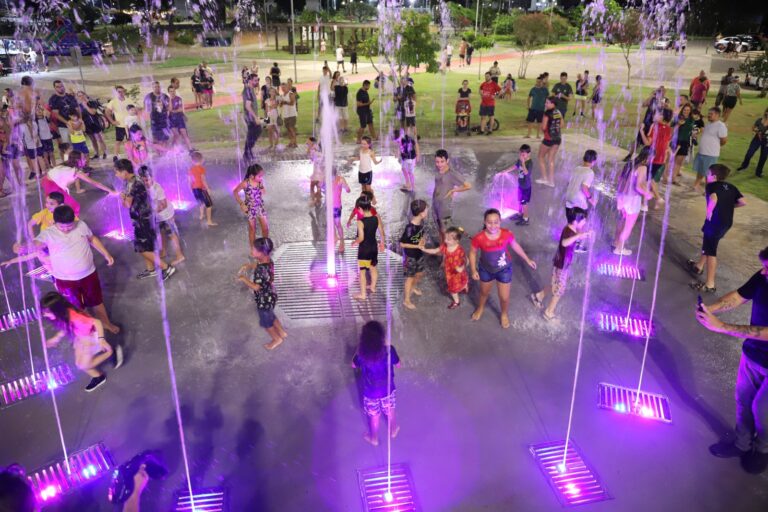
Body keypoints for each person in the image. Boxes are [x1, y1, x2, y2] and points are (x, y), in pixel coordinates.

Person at [697, 246, 768, 474]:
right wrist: (710, 310)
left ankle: (762, 449)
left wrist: (723, 327)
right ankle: (742, 444)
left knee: (763, 411)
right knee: (744, 401)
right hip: (753, 354)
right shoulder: (763, 276)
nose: (763, 272)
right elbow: (739, 296)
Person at [31, 204, 119, 333]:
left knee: (97, 301)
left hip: (89, 274)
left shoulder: (81, 225)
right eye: (62, 227)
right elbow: (36, 243)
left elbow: (92, 239)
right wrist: (25, 247)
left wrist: (106, 254)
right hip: (65, 280)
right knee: (75, 307)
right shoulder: (48, 234)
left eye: (69, 226)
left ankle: (106, 324)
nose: (66, 229)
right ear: (55, 222)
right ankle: (86, 330)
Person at [469, 208, 537, 329]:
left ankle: (504, 314)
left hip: (504, 269)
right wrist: (473, 270)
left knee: (504, 297)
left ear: (500, 221)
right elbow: (473, 253)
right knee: (484, 293)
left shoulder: (507, 234)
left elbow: (515, 245)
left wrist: (527, 259)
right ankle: (480, 308)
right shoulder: (478, 238)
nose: (493, 226)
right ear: (484, 222)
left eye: (496, 222)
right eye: (489, 222)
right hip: (486, 269)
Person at [41, 291, 119, 391]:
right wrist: (56, 338)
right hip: (81, 337)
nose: (44, 314)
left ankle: (111, 352)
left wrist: (101, 340)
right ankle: (98, 376)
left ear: (57, 310)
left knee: (84, 365)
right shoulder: (64, 314)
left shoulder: (76, 317)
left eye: (47, 312)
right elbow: (67, 326)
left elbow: (96, 322)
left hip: (90, 337)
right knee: (79, 363)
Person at [687, 164, 746, 293]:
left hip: (715, 222)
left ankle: (710, 284)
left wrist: (709, 212)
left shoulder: (711, 186)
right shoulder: (731, 187)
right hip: (726, 222)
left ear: (714, 176)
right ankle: (699, 266)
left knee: (711, 252)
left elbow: (713, 198)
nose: (706, 176)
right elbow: (743, 202)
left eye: (708, 173)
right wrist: (728, 206)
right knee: (709, 244)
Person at [114, 159, 176, 281]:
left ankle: (166, 267)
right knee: (146, 246)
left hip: (143, 220)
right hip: (145, 217)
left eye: (117, 172)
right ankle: (151, 270)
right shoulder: (134, 180)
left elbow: (127, 204)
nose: (116, 175)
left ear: (124, 172)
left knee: (140, 248)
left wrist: (122, 197)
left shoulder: (133, 184)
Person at [530, 208, 592, 320]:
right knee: (560, 289)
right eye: (583, 220)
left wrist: (584, 235)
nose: (585, 222)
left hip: (562, 264)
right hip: (561, 265)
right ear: (575, 221)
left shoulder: (571, 229)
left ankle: (538, 296)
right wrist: (578, 236)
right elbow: (564, 243)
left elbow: (573, 239)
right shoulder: (568, 231)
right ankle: (549, 312)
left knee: (556, 285)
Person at [352, 320, 400, 446]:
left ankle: (374, 438)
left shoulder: (361, 354)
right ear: (382, 337)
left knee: (374, 417)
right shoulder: (389, 350)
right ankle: (393, 430)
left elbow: (353, 365)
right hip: (388, 389)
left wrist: (358, 349)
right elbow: (398, 365)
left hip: (371, 393)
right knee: (390, 410)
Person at [237, 237, 287, 350]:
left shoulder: (260, 271)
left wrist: (244, 279)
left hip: (264, 300)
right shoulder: (268, 260)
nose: (251, 251)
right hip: (271, 294)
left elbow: (256, 287)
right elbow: (259, 265)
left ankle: (277, 339)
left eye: (254, 250)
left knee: (266, 323)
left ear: (261, 253)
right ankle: (282, 332)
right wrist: (249, 265)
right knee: (271, 314)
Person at [42, 150, 114, 216]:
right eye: (83, 158)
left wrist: (77, 189)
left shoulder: (66, 164)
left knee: (54, 204)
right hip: (52, 185)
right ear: (78, 160)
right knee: (74, 206)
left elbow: (70, 178)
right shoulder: (76, 171)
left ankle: (52, 217)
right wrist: (111, 191)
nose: (85, 160)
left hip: (46, 181)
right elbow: (95, 183)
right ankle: (69, 222)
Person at [140, 166, 184, 266]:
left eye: (147, 180)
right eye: (143, 181)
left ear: (152, 177)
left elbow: (163, 205)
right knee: (161, 232)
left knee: (171, 234)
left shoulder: (157, 188)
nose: (145, 182)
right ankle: (163, 251)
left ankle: (180, 255)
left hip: (166, 215)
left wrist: (150, 212)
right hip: (158, 216)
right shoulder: (145, 188)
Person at [613, 147, 654, 256]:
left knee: (622, 221)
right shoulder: (643, 167)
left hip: (621, 195)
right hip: (632, 199)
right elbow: (638, 186)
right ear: (649, 157)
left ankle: (616, 242)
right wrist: (648, 194)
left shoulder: (630, 163)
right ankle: (619, 249)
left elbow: (620, 178)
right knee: (628, 225)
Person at [400, 199, 439, 310]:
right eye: (426, 210)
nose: (427, 211)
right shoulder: (410, 228)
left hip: (419, 254)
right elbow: (402, 244)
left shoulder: (421, 223)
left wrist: (423, 240)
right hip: (410, 256)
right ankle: (406, 300)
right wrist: (417, 246)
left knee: (419, 273)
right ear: (421, 213)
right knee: (410, 277)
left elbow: (422, 235)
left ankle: (413, 287)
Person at [433, 149, 471, 244]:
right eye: (437, 162)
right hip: (435, 203)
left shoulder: (452, 174)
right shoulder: (438, 170)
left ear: (447, 160)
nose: (439, 164)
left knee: (445, 229)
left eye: (442, 161)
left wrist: (453, 190)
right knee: (438, 226)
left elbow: (468, 186)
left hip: (445, 205)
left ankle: (451, 246)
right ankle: (442, 245)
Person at [352, 195, 385, 301]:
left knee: (362, 272)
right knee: (373, 267)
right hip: (373, 247)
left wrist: (355, 242)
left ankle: (363, 295)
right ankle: (373, 287)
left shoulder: (360, 222)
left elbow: (361, 238)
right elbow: (381, 231)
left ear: (360, 208)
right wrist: (382, 243)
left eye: (358, 209)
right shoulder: (376, 217)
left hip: (364, 250)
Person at [564, 150, 598, 251]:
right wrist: (591, 199)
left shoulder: (577, 168)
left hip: (569, 198)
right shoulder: (590, 172)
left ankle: (569, 242)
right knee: (580, 224)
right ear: (594, 161)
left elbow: (569, 182)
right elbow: (584, 188)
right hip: (579, 201)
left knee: (572, 223)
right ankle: (577, 244)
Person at [642, 107, 674, 206]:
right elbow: (667, 146)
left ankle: (657, 198)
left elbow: (647, 143)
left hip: (651, 157)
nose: (655, 115)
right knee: (649, 180)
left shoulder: (654, 126)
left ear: (662, 117)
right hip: (660, 159)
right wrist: (665, 158)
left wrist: (641, 131)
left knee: (647, 180)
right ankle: (646, 203)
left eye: (657, 114)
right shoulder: (669, 129)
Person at [233, 163, 269, 250]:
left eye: (262, 176)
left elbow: (264, 192)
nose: (261, 178)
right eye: (259, 176)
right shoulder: (245, 183)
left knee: (265, 228)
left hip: (260, 206)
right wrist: (241, 204)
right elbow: (235, 192)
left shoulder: (259, 182)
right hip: (250, 208)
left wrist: (261, 185)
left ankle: (265, 244)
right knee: (252, 229)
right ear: (252, 176)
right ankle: (253, 249)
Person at [692, 107, 728, 194]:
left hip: (711, 154)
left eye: (711, 114)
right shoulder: (708, 124)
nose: (709, 115)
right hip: (702, 152)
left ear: (717, 115)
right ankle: (696, 185)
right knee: (701, 170)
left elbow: (724, 140)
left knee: (709, 174)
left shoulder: (721, 126)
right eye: (709, 113)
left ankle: (709, 190)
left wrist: (715, 146)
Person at [439, 227, 469, 309]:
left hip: (453, 272)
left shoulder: (459, 250)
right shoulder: (447, 246)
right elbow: (443, 253)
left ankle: (456, 302)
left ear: (457, 241)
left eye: (448, 239)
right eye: (445, 238)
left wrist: (462, 267)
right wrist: (443, 261)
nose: (445, 241)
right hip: (455, 271)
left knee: (452, 289)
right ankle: (465, 287)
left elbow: (466, 260)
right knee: (463, 280)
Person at [48, 80, 79, 157]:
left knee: (77, 145)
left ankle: (80, 162)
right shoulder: (53, 99)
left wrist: (80, 120)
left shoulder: (70, 97)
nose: (60, 88)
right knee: (67, 147)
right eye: (58, 87)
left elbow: (77, 109)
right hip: (63, 127)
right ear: (55, 88)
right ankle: (67, 162)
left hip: (75, 125)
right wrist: (67, 122)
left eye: (61, 86)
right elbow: (55, 114)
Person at [504, 144, 533, 226]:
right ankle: (520, 214)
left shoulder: (529, 163)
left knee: (524, 203)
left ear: (529, 154)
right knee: (520, 201)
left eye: (523, 154)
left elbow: (526, 173)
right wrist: (506, 171)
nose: (521, 156)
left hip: (526, 187)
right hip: (520, 185)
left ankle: (526, 219)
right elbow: (515, 166)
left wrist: (523, 163)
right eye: (520, 154)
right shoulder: (520, 160)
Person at [537, 96, 562, 187]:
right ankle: (551, 181)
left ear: (553, 104)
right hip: (557, 138)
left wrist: (543, 129)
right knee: (551, 160)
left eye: (547, 102)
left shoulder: (547, 113)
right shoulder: (558, 112)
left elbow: (543, 127)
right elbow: (562, 124)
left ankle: (544, 178)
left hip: (548, 139)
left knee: (540, 157)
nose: (545, 104)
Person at [737, 107, 768, 178]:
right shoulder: (760, 120)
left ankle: (758, 172)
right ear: (766, 112)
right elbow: (753, 128)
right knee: (749, 153)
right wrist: (756, 130)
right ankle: (744, 166)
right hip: (757, 139)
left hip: (766, 141)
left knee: (763, 157)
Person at [187, 151, 216, 226]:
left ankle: (201, 215)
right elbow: (203, 180)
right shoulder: (201, 169)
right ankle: (209, 221)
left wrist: (190, 190)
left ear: (192, 161)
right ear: (202, 160)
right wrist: (208, 188)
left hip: (194, 189)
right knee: (209, 205)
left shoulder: (190, 169)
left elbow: (189, 181)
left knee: (201, 202)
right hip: (201, 189)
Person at [76, 91, 107, 160]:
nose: (81, 97)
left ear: (85, 95)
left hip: (95, 123)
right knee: (93, 140)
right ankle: (97, 153)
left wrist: (85, 105)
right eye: (79, 96)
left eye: (82, 95)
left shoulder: (92, 103)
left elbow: (93, 112)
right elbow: (80, 116)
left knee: (100, 139)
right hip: (87, 125)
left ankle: (104, 152)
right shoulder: (79, 106)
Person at [670, 103, 694, 185]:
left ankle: (673, 178)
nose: (686, 111)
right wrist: (678, 125)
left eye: (688, 110)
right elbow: (671, 131)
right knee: (671, 160)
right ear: (682, 110)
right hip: (676, 141)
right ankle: (666, 177)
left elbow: (691, 130)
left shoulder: (691, 119)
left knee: (679, 162)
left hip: (685, 142)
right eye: (684, 110)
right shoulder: (677, 118)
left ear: (690, 111)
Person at [144, 81, 170, 146]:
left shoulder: (164, 96)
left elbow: (168, 107)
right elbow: (146, 108)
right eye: (155, 87)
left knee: (165, 138)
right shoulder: (149, 96)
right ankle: (159, 151)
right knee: (156, 138)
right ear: (152, 87)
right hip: (154, 120)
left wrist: (163, 111)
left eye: (158, 86)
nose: (157, 88)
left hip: (163, 120)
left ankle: (165, 151)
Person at [242, 74, 262, 161]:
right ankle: (247, 153)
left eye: (258, 80)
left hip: (251, 117)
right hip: (250, 118)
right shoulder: (248, 90)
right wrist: (255, 117)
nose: (257, 82)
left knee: (253, 134)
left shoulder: (250, 89)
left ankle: (248, 152)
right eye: (255, 80)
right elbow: (248, 106)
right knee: (255, 132)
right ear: (250, 81)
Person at [356, 136, 381, 202]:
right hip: (361, 172)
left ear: (369, 144)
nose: (363, 145)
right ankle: (365, 200)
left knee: (368, 188)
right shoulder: (360, 150)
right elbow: (359, 158)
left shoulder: (370, 152)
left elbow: (375, 162)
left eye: (365, 144)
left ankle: (373, 198)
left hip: (367, 172)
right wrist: (352, 159)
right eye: (362, 143)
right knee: (363, 187)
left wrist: (378, 162)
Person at [332, 166, 351, 253]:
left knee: (337, 224)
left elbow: (348, 190)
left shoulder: (340, 179)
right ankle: (335, 237)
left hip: (336, 206)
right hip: (328, 207)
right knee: (331, 223)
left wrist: (345, 186)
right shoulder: (326, 179)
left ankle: (342, 242)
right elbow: (319, 185)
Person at [279, 82, 298, 148]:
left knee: (291, 128)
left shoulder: (291, 94)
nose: (283, 89)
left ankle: (295, 143)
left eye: (284, 87)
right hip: (285, 115)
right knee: (288, 129)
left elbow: (292, 103)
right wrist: (281, 103)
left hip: (292, 114)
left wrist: (285, 102)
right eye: (282, 88)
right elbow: (280, 105)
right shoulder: (282, 95)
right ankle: (291, 142)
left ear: (287, 87)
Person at [307, 137, 323, 205]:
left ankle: (312, 200)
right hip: (322, 174)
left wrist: (310, 148)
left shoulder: (314, 152)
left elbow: (310, 158)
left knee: (312, 187)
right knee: (318, 187)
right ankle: (318, 200)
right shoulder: (323, 154)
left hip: (316, 173)